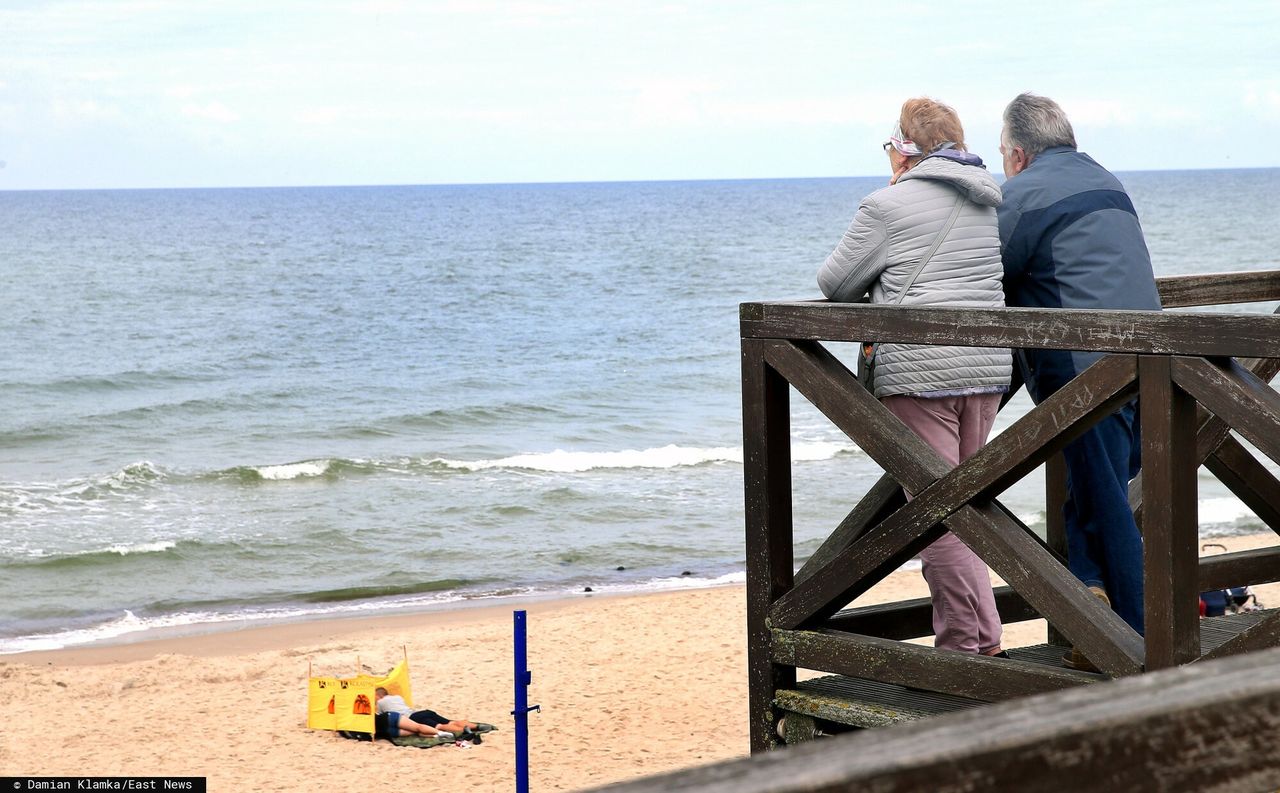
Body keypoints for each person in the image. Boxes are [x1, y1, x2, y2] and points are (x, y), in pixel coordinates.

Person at [817, 97, 1012, 657]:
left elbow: (836, 282)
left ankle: (961, 648)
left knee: (937, 520)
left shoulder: (886, 205)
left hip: (920, 375)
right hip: (985, 370)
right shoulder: (984, 202)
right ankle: (985, 640)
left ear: (903, 147)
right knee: (966, 512)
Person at [997, 93, 1162, 668]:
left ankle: (1143, 651)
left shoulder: (1022, 193)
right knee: (1090, 497)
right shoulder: (1108, 181)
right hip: (1149, 361)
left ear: (1017, 154)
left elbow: (989, 268)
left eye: (1001, 156)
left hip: (1087, 375)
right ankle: (1090, 614)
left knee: (1106, 503)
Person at [374, 687, 484, 741]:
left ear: (379, 695)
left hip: (413, 718)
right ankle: (477, 726)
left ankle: (463, 731)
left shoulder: (380, 702)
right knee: (451, 722)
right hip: (421, 712)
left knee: (441, 727)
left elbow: (380, 716)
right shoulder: (398, 697)